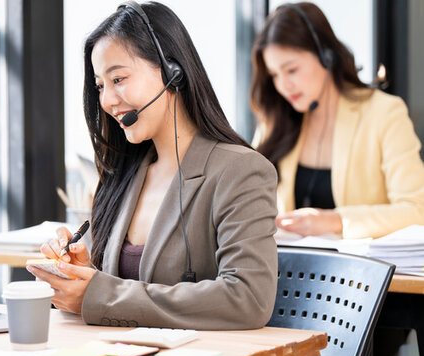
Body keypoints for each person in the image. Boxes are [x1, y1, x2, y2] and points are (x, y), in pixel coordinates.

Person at [26, 1, 278, 330]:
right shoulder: (124, 177)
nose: (106, 100)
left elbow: (248, 299)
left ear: (172, 72)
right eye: (100, 86)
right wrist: (84, 276)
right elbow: (120, 295)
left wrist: (99, 294)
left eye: (118, 79)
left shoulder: (240, 171)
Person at [250, 2, 424, 239]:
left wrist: (335, 221)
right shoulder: (274, 121)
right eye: (274, 75)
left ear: (326, 56)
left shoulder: (384, 113)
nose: (283, 85)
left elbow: (416, 211)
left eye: (291, 70)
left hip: (361, 273)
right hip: (289, 270)